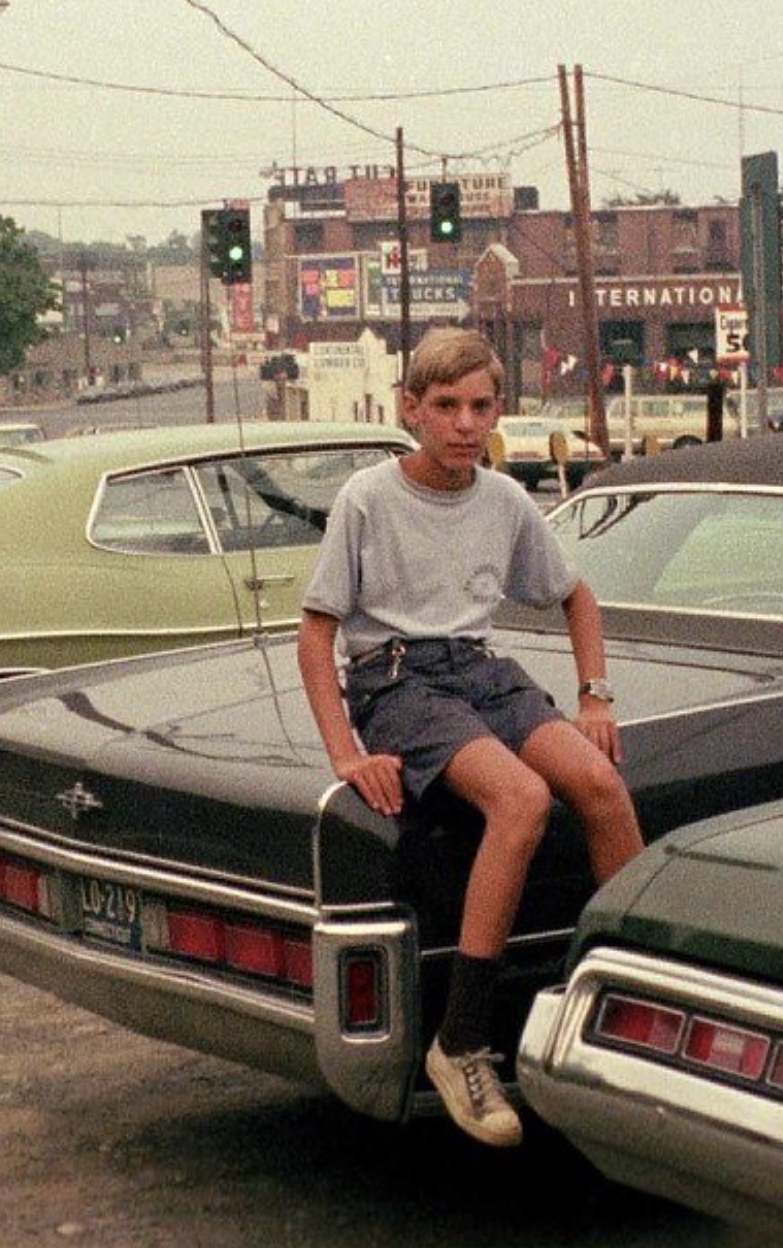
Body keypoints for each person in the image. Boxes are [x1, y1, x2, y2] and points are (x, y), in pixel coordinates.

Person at [297, 327, 644, 1147]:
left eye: (480, 407)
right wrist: (346, 751)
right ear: (411, 409)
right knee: (520, 800)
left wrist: (594, 696)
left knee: (599, 783)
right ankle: (459, 1041)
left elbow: (577, 595)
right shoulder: (369, 498)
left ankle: (633, 1005)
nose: (463, 424)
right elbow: (316, 634)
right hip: (396, 679)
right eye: (445, 406)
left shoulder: (506, 499)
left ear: (497, 411)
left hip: (480, 669)